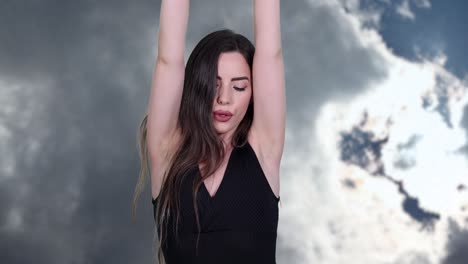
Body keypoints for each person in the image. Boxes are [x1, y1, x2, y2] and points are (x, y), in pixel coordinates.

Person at [132, 0, 285, 263]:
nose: (224, 98)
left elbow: (271, 54)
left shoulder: (264, 150)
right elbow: (168, 61)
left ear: (253, 93)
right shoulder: (168, 151)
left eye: (239, 87)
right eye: (213, 85)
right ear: (195, 86)